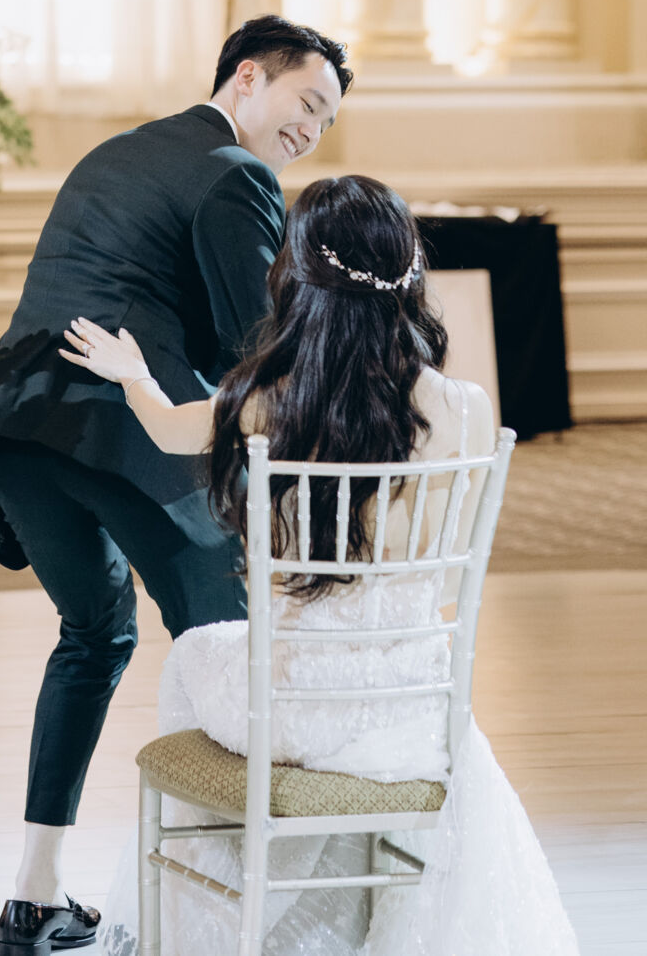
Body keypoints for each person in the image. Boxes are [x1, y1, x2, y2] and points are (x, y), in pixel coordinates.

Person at [63, 174, 579, 956]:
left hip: (299, 706)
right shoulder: (470, 408)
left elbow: (168, 430)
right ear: (408, 271)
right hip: (413, 705)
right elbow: (447, 580)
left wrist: (132, 374)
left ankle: (236, 922)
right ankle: (334, 917)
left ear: (299, 276)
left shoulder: (266, 399)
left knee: (190, 660)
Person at [0, 16, 351, 954]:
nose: (311, 130)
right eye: (306, 102)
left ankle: (35, 895)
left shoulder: (121, 149)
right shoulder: (237, 173)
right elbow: (257, 346)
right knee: (229, 639)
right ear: (247, 77)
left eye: (328, 121)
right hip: (118, 429)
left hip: (14, 426)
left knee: (95, 636)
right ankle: (243, 906)